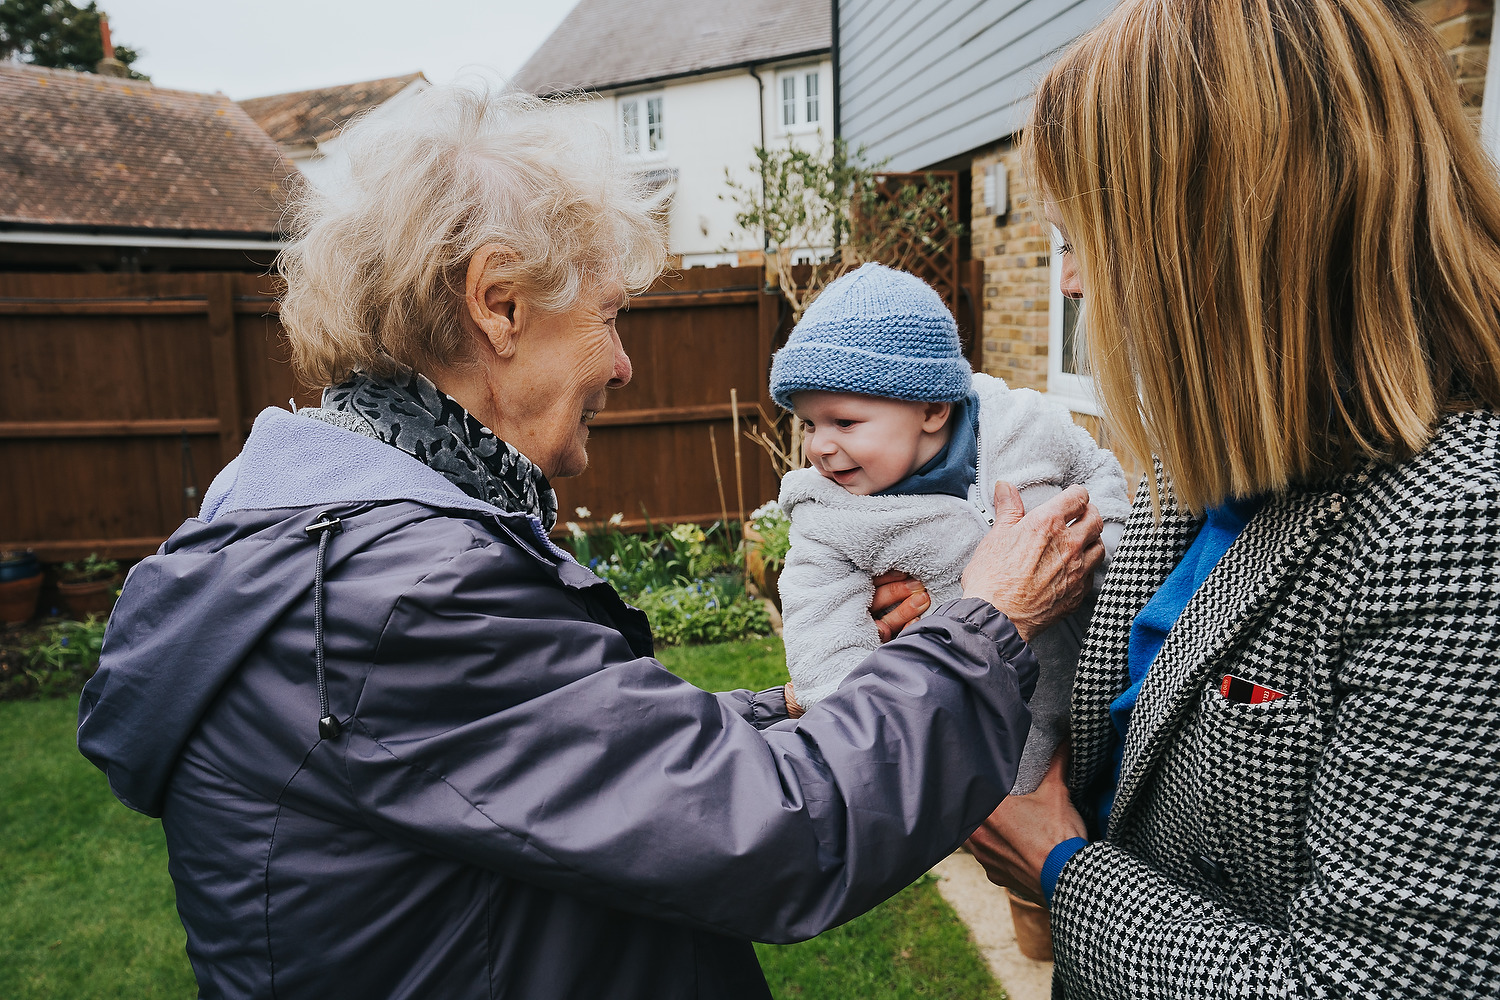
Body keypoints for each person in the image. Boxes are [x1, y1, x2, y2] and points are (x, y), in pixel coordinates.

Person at [73, 85, 1106, 1000]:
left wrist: (793, 702)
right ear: (499, 303)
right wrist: (989, 621)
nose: (622, 364)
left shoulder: (336, 527)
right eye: (609, 315)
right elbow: (779, 833)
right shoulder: (402, 593)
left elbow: (559, 759)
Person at [965, 0, 1500, 995]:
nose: (1071, 281)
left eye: (1090, 233)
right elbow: (1136, 725)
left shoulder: (1460, 524)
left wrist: (1059, 868)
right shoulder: (1202, 464)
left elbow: (1376, 980)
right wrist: (988, 620)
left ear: (1230, 240)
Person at [768, 262, 1130, 793]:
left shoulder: (1021, 424)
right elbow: (820, 638)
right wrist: (865, 733)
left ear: (933, 409)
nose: (818, 446)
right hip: (996, 752)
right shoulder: (830, 519)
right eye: (809, 424)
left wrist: (1111, 563)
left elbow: (1097, 470)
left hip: (1115, 691)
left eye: (843, 422)